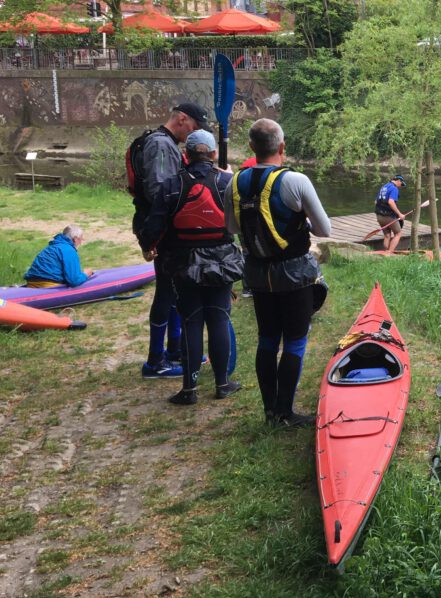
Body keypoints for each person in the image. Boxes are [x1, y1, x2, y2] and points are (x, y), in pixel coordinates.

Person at [226, 118, 331, 428]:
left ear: (251, 148)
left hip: (257, 274)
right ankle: (284, 412)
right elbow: (325, 229)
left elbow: (230, 229)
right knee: (295, 341)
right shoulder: (296, 181)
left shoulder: (235, 182)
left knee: (267, 339)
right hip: (294, 275)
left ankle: (269, 410)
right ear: (282, 147)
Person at [139, 130, 243, 406]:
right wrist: (230, 178)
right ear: (213, 154)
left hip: (183, 264)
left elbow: (154, 225)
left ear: (185, 155)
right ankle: (222, 384)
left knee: (191, 322)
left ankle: (189, 389)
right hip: (222, 263)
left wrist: (147, 246)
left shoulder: (172, 184)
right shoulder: (228, 182)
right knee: (219, 318)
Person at [132, 102, 210, 379]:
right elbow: (159, 192)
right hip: (163, 231)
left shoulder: (165, 144)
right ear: (181, 118)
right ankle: (155, 361)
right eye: (194, 128)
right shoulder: (160, 145)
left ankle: (175, 349)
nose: (193, 134)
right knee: (166, 293)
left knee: (175, 290)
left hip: (167, 228)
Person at [24, 225, 94, 287]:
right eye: (81, 239)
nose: (81, 242)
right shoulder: (69, 250)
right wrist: (86, 274)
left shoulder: (51, 247)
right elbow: (74, 281)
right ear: (75, 239)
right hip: (46, 284)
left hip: (31, 283)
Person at [374, 175, 406, 253]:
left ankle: (385, 252)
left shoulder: (384, 187)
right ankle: (389, 253)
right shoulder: (394, 188)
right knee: (398, 233)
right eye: (401, 184)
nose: (400, 186)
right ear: (398, 180)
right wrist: (399, 214)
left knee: (387, 235)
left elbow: (375, 202)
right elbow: (391, 202)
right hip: (388, 216)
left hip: (379, 216)